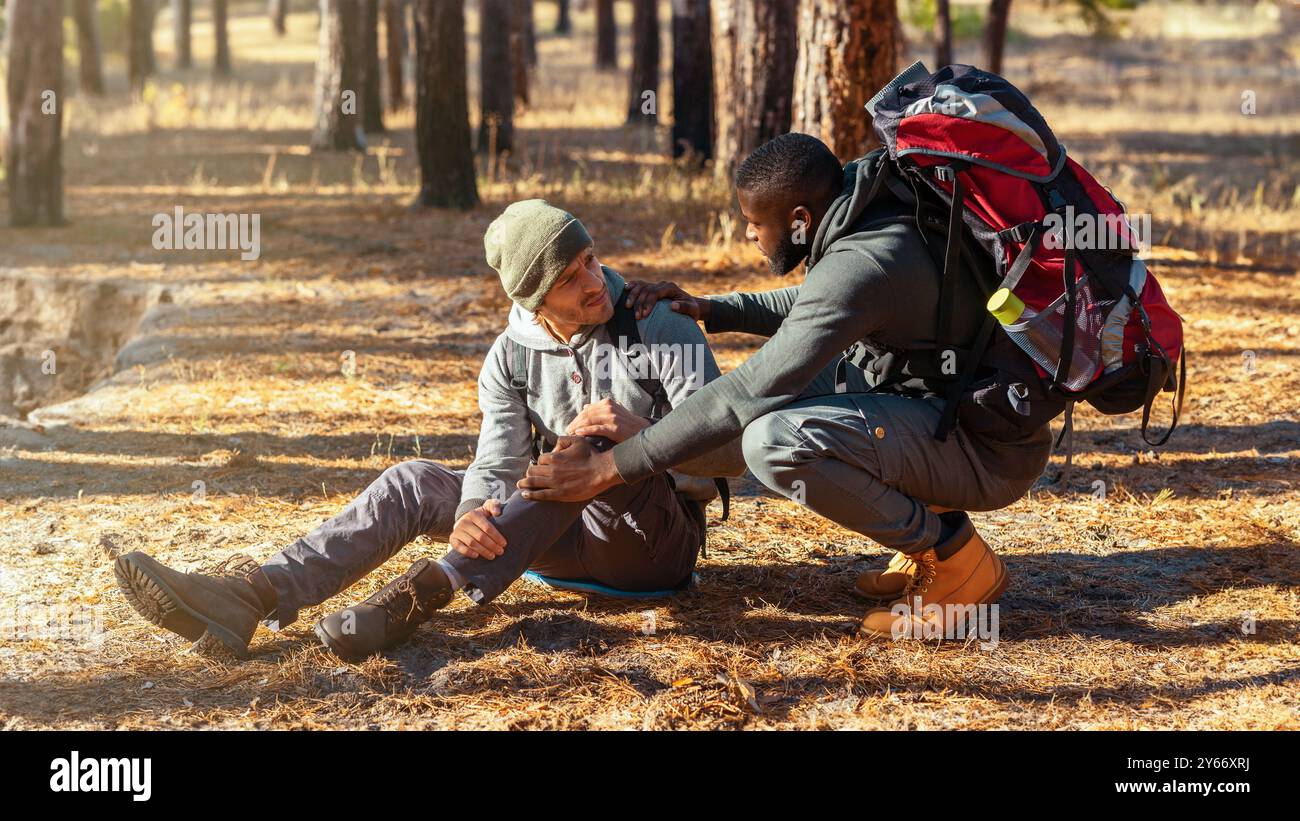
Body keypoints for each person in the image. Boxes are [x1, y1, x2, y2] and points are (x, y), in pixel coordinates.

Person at [115, 199, 744, 661]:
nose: (592, 282)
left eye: (589, 259)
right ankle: (250, 597)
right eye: (569, 278)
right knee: (414, 481)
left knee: (592, 444)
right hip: (542, 540)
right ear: (534, 301)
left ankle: (429, 590)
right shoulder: (509, 356)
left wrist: (640, 440)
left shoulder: (656, 322)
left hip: (649, 547)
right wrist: (474, 510)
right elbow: (498, 463)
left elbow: (730, 457)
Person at [516, 134, 1062, 640]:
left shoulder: (867, 262)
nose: (749, 234)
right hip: (952, 409)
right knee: (809, 390)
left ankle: (956, 558)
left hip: (986, 452)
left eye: (755, 222)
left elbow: (748, 390)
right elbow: (818, 301)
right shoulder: (872, 209)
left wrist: (613, 465)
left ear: (800, 219)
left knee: (772, 440)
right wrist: (714, 308)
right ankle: (928, 537)